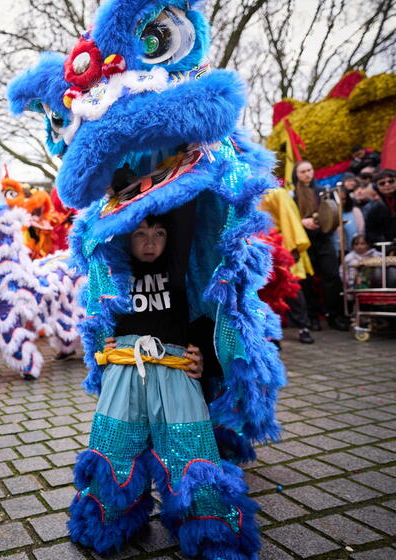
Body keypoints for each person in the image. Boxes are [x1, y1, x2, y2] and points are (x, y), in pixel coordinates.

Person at [68, 210, 258, 559]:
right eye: (141, 233)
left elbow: (206, 317)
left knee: (189, 450)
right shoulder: (114, 271)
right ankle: (111, 521)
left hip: (175, 371)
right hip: (125, 374)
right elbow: (94, 242)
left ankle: (207, 531)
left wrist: (205, 360)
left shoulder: (181, 269)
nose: (151, 242)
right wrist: (106, 348)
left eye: (159, 233)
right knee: (117, 449)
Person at [288, 160, 347, 330]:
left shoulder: (323, 192)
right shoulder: (292, 196)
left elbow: (333, 214)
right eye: (303, 171)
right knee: (307, 281)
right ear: (296, 176)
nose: (307, 173)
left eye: (309, 170)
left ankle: (334, 316)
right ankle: (313, 317)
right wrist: (302, 222)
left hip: (324, 239)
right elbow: (289, 219)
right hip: (304, 242)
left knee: (332, 276)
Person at [260, 184, 317, 343]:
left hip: (281, 248)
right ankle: (270, 332)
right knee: (265, 292)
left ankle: (303, 327)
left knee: (291, 289)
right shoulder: (247, 192)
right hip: (259, 249)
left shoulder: (276, 192)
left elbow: (290, 219)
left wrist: (293, 249)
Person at [366, 169, 396, 245]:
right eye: (382, 183)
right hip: (388, 251)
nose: (387, 185)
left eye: (391, 181)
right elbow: (371, 234)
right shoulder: (375, 208)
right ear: (376, 187)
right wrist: (389, 245)